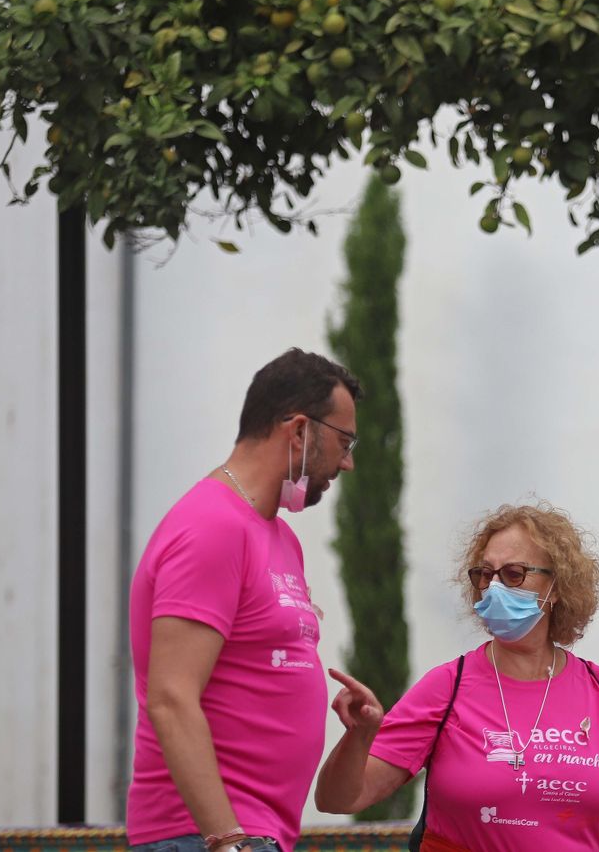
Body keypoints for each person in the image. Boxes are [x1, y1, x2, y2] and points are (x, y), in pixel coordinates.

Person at [315, 503, 599, 852]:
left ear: (557, 588)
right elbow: (338, 799)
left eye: (514, 574)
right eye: (486, 574)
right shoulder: (448, 685)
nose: (494, 587)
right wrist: (359, 736)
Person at [127, 348, 361, 852]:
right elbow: (171, 697)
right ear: (299, 430)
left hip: (248, 836)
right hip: (205, 838)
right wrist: (227, 840)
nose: (348, 462)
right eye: (343, 441)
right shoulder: (212, 526)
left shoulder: (277, 537)